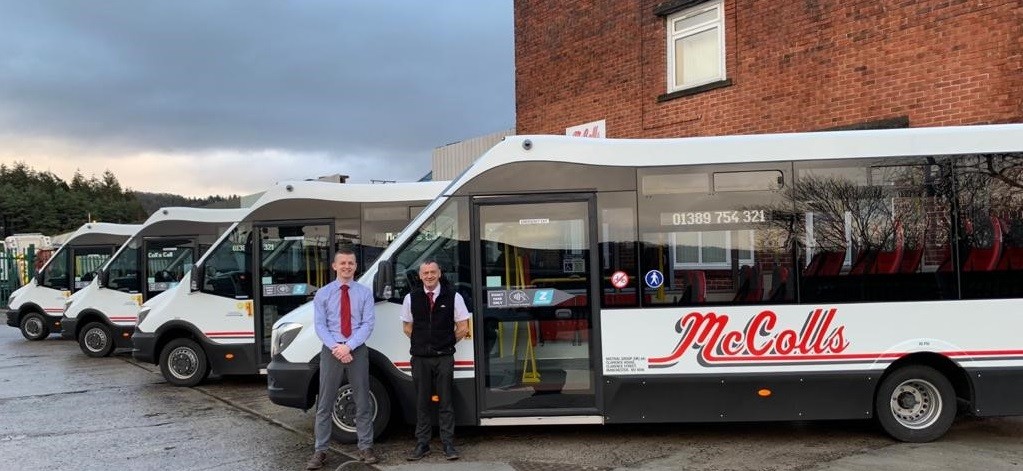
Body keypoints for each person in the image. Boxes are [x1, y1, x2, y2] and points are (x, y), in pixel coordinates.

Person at [306, 249, 377, 469]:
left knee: (362, 401)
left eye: (351, 263)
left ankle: (365, 447)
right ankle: (321, 451)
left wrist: (349, 346)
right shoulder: (323, 294)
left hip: (357, 350)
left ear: (356, 267)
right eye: (343, 263)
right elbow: (320, 325)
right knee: (324, 403)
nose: (347, 266)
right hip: (331, 350)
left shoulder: (364, 293)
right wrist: (337, 347)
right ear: (335, 266)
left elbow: (368, 324)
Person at [401, 260, 470, 461]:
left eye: (433, 272)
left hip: (444, 357)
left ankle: (448, 444)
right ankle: (422, 444)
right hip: (420, 358)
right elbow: (407, 327)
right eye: (425, 273)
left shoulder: (453, 296)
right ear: (420, 276)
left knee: (446, 402)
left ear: (439, 273)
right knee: (422, 403)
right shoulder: (410, 298)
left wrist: (445, 342)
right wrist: (424, 343)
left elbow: (463, 326)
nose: (429, 276)